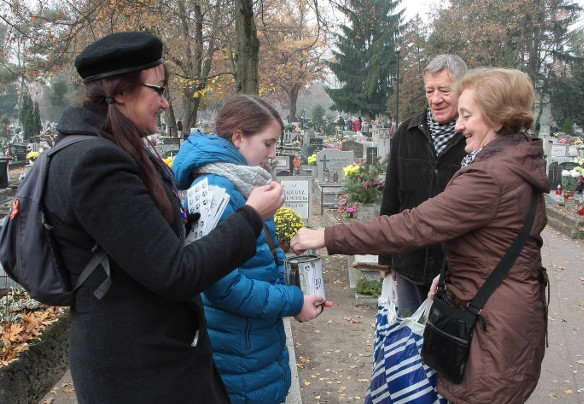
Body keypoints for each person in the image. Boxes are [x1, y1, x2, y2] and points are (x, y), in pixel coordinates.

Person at [47, 32, 284, 403]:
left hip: (154, 355)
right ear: (120, 92)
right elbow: (175, 272)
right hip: (137, 370)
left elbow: (146, 245)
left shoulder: (111, 148)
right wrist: (252, 216)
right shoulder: (97, 162)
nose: (163, 102)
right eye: (157, 89)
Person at [291, 67, 549, 403]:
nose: (458, 124)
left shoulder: (491, 176)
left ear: (498, 119)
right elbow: (494, 242)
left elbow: (414, 225)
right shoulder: (513, 159)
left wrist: (326, 236)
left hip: (493, 324)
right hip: (506, 311)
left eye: (468, 115)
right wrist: (450, 273)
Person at [172, 95, 328, 404]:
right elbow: (224, 287)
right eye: (267, 144)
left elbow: (258, 258)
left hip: (250, 344)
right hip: (237, 354)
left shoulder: (239, 183)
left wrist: (294, 278)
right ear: (238, 136)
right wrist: (295, 301)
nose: (272, 154)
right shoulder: (219, 190)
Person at [379, 54, 468, 315]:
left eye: (444, 90)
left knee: (445, 348)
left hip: (453, 267)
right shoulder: (407, 133)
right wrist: (386, 256)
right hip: (409, 260)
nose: (435, 98)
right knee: (408, 342)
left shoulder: (473, 138)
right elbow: (392, 197)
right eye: (430, 90)